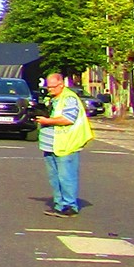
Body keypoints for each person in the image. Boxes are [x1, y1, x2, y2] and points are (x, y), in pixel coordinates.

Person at [34, 71, 90, 217]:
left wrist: (47, 121)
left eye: (53, 87)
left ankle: (70, 206)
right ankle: (59, 205)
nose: (50, 89)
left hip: (66, 144)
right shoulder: (53, 98)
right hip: (50, 144)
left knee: (66, 176)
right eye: (48, 87)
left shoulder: (69, 98)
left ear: (61, 84)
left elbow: (68, 119)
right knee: (54, 177)